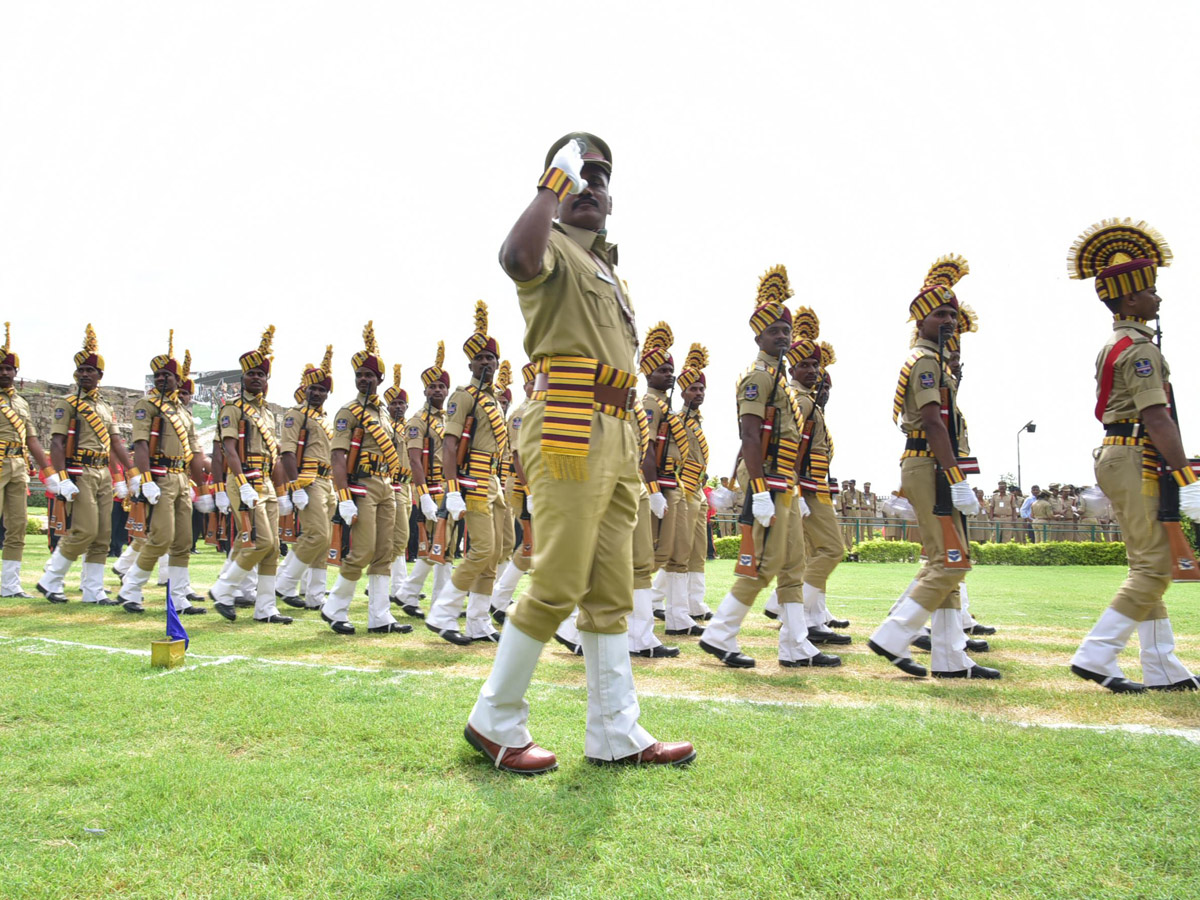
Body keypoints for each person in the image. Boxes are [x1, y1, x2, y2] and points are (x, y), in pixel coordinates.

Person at [465, 131, 693, 773]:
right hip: (567, 417)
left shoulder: (609, 270)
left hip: (619, 431)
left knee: (609, 589)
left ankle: (615, 731)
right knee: (561, 576)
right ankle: (495, 717)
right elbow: (514, 257)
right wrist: (549, 185)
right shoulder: (552, 245)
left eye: (601, 177)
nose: (591, 185)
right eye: (580, 174)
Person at [1067, 218, 1200, 692]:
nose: (1158, 298)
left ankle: (1162, 666)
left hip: (1120, 453)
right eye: (1150, 291)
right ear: (1129, 299)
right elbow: (1158, 417)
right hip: (1131, 453)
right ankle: (1097, 655)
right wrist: (1189, 478)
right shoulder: (1139, 350)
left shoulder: (1117, 343)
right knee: (1153, 567)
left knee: (1149, 560)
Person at [868, 255, 999, 680]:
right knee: (951, 560)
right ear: (921, 320)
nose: (949, 320)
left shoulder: (938, 361)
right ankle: (893, 633)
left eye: (953, 314)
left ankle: (949, 656)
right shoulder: (925, 362)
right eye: (940, 314)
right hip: (929, 463)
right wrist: (957, 477)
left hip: (936, 462)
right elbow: (932, 421)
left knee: (950, 561)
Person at [701, 269, 832, 670]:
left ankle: (795, 643)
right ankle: (720, 632)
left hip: (783, 482)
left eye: (785, 330)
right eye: (773, 330)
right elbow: (750, 436)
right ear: (758, 336)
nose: (782, 336)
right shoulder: (757, 376)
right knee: (765, 562)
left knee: (792, 563)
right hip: (768, 480)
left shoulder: (779, 378)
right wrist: (758, 489)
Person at [322, 322, 411, 636]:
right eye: (360, 375)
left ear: (379, 379)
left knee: (384, 552)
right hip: (362, 486)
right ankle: (334, 608)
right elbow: (337, 456)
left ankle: (380, 616)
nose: (363, 379)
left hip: (387, 485)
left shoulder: (384, 414)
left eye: (369, 375)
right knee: (361, 551)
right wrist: (343, 497)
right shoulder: (348, 412)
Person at [426, 302, 508, 645]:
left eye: (491, 358)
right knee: (482, 550)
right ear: (471, 363)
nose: (486, 363)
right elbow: (448, 446)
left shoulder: (495, 399)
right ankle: (443, 613)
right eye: (481, 359)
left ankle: (477, 620)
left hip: (492, 481)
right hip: (472, 481)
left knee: (501, 548)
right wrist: (453, 489)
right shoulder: (463, 397)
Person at [38, 325, 136, 605]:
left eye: (89, 371)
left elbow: (116, 443)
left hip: (103, 471)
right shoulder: (67, 404)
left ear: (100, 376)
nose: (84, 374)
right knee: (84, 530)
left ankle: (92, 590)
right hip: (79, 471)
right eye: (80, 370)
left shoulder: (105, 407)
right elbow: (56, 443)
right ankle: (50, 578)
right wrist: (61, 477)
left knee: (103, 535)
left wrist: (130, 474)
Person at [116, 332, 211, 614]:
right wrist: (145, 481)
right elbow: (142, 445)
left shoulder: (183, 412)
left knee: (182, 542)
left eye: (166, 375)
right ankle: (130, 589)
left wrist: (204, 489)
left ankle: (179, 598)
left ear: (178, 380)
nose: (160, 379)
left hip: (182, 479)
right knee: (161, 538)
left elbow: (194, 453)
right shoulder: (147, 406)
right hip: (159, 477)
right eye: (157, 375)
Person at [205, 325, 293, 624]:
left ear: (267, 380)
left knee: (273, 549)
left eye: (261, 374)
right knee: (261, 542)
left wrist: (281, 492)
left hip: (266, 480)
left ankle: (266, 608)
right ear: (243, 377)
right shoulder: (232, 409)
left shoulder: (268, 413)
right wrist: (240, 484)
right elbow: (228, 451)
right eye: (251, 373)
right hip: (245, 480)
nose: (256, 377)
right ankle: (223, 588)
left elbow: (275, 455)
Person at [639, 323, 697, 634]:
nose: (669, 375)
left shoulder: (664, 404)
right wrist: (653, 491)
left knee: (679, 553)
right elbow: (646, 450)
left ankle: (677, 618)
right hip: (660, 484)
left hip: (676, 484)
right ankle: (635, 617)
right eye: (662, 370)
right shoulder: (649, 404)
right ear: (648, 374)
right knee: (653, 555)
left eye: (670, 370)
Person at [394, 342, 453, 618]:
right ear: (425, 391)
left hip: (447, 487)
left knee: (444, 548)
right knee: (439, 546)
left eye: (442, 386)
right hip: (431, 488)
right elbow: (415, 459)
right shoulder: (418, 421)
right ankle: (432, 603)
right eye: (433, 387)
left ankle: (409, 593)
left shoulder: (447, 419)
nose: (437, 391)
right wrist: (424, 495)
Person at [275, 348, 336, 611]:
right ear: (305, 388)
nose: (317, 393)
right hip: (309, 481)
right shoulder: (295, 415)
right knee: (317, 536)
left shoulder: (323, 419)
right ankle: (285, 583)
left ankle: (315, 595)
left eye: (322, 389)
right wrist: (296, 486)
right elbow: (287, 452)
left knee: (323, 542)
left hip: (327, 481)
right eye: (313, 388)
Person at [0, 323, 56, 598]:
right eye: (0, 368)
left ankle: (9, 585)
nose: (4, 372)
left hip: (18, 467)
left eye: (8, 368)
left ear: (15, 372)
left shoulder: (21, 403)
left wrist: (49, 471)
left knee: (18, 526)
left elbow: (32, 440)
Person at [489, 362, 536, 622]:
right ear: (526, 386)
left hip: (537, 486)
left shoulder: (542, 411)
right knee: (530, 545)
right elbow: (517, 457)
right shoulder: (520, 413)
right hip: (521, 486)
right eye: (533, 383)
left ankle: (500, 599)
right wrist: (529, 491)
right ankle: (498, 599)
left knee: (533, 548)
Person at [677, 344, 713, 623]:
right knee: (680, 548)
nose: (698, 393)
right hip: (683, 488)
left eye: (701, 389)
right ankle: (657, 600)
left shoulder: (698, 422)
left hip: (698, 489)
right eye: (693, 389)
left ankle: (695, 603)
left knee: (698, 549)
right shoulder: (678, 421)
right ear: (682, 393)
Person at [384, 365, 414, 610]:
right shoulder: (385, 428)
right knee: (398, 536)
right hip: (391, 485)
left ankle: (399, 585)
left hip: (407, 485)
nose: (397, 407)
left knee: (401, 539)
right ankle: (396, 586)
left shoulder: (409, 428)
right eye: (393, 404)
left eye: (401, 404)